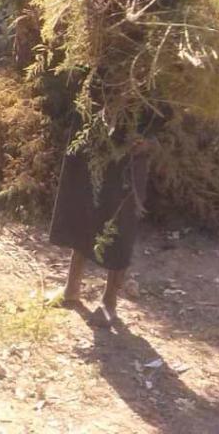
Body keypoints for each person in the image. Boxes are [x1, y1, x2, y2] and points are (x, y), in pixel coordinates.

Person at [48, 134, 154, 327]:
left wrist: (149, 141)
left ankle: (109, 302)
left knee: (121, 217)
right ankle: (71, 289)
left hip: (129, 145)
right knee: (83, 203)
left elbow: (167, 115)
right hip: (92, 137)